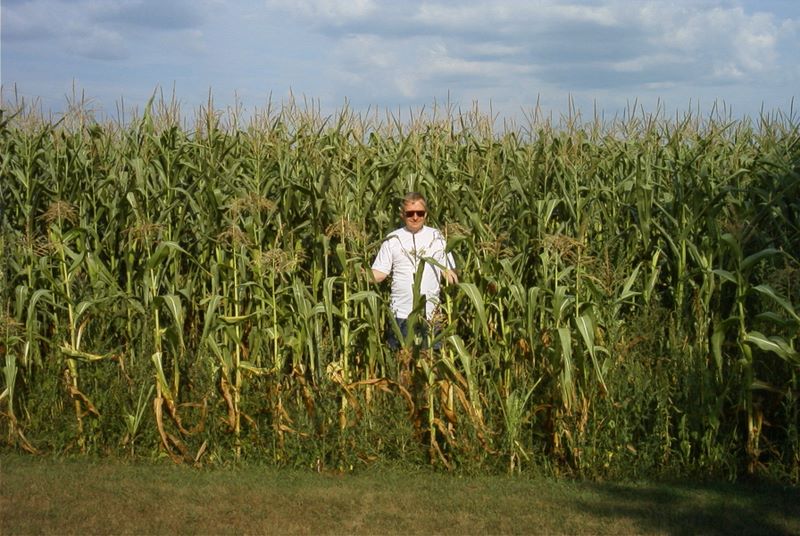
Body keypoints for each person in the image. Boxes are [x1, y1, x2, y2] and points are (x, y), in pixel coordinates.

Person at [371, 192, 457, 350]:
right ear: (402, 214)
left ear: (426, 214)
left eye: (420, 213)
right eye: (410, 213)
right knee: (402, 365)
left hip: (431, 316)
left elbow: (450, 274)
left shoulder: (437, 237)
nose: (415, 217)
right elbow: (379, 274)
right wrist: (356, 271)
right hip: (401, 315)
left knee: (431, 365)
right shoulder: (393, 239)